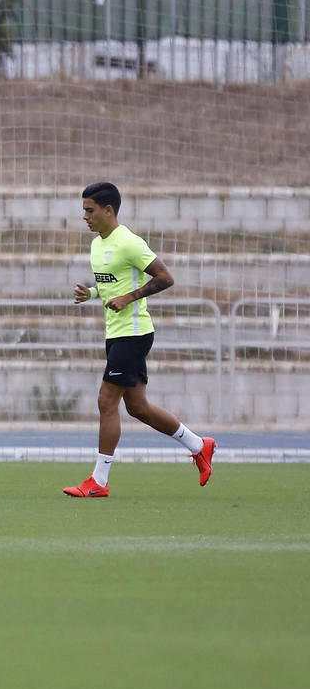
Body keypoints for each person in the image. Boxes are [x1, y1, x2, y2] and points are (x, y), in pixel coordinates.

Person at [65, 182, 215, 497]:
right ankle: (199, 445)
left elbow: (165, 277)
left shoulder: (129, 242)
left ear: (108, 210)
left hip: (133, 334)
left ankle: (99, 482)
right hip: (117, 334)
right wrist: (91, 293)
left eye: (89, 210)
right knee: (138, 407)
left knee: (106, 401)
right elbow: (112, 284)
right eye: (83, 211)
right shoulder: (97, 245)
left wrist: (130, 297)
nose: (85, 217)